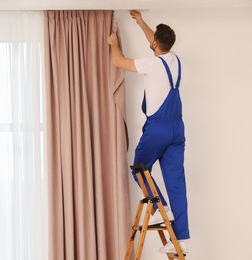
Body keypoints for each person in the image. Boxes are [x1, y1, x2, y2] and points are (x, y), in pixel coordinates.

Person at [107, 10, 190, 255]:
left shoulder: (152, 63)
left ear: (155, 44)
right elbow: (155, 40)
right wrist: (142, 22)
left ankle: (160, 208)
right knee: (177, 182)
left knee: (140, 167)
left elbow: (118, 62)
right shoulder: (175, 60)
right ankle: (181, 239)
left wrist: (113, 44)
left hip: (159, 127)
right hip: (177, 128)